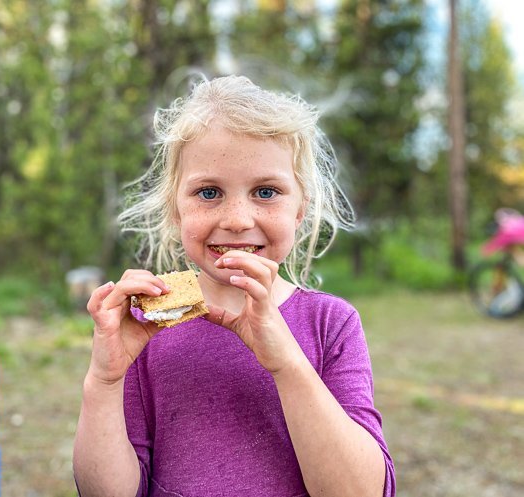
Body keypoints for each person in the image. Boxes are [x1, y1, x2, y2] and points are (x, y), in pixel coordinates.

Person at [73, 75, 395, 497]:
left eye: (266, 191)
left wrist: (287, 363)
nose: (238, 219)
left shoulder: (330, 324)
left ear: (301, 209)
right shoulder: (147, 326)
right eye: (209, 192)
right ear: (176, 209)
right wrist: (104, 381)